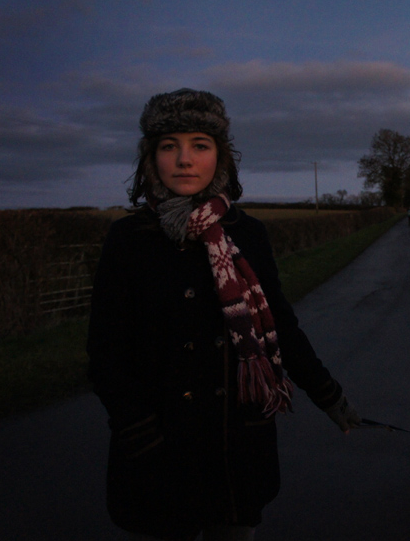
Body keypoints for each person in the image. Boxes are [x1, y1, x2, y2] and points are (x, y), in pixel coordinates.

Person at [87, 88, 361, 541]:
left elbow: (281, 325)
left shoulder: (247, 233)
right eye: (168, 145)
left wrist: (329, 394)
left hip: (237, 442)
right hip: (159, 448)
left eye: (200, 144)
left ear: (221, 157)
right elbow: (106, 351)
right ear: (150, 158)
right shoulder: (128, 240)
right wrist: (137, 431)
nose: (184, 159)